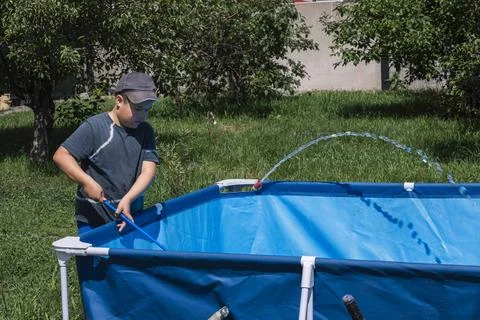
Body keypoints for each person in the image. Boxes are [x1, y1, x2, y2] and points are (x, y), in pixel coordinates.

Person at [53, 72, 159, 234]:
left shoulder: (145, 131)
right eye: (138, 109)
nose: (143, 115)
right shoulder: (95, 128)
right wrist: (87, 182)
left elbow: (148, 171)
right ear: (119, 100)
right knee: (96, 259)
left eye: (147, 109)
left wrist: (129, 198)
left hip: (130, 216)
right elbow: (61, 156)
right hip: (93, 219)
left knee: (125, 258)